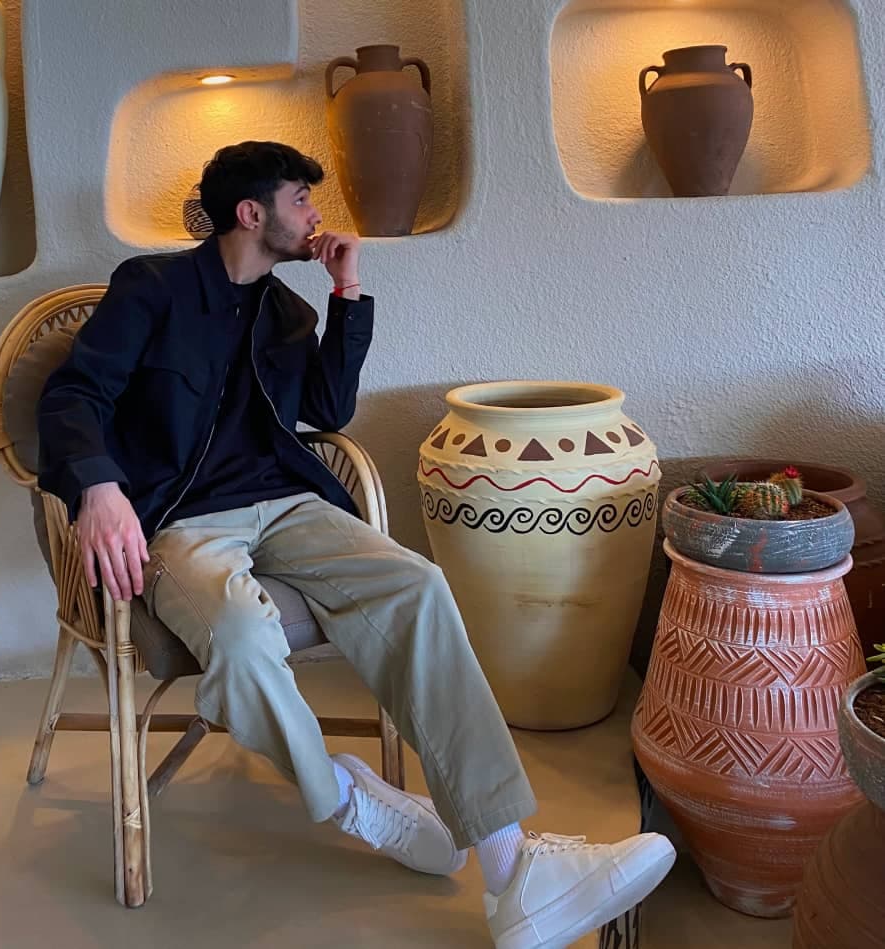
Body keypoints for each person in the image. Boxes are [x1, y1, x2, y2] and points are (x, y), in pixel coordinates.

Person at [37, 141, 674, 948]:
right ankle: (347, 796)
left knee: (416, 584)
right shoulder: (152, 287)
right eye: (301, 200)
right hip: (180, 520)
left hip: (290, 507)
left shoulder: (284, 310)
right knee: (239, 634)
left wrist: (346, 291)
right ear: (250, 213)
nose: (315, 215)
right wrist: (97, 489)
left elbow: (328, 409)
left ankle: (513, 870)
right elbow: (74, 393)